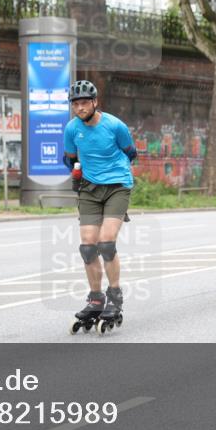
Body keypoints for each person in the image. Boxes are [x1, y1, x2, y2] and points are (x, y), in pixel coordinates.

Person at [62, 79, 138, 331]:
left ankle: (114, 296)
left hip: (117, 186)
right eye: (75, 104)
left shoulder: (115, 125)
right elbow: (70, 158)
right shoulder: (72, 129)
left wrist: (113, 169)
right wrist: (78, 172)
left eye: (84, 103)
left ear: (95, 102)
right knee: (87, 247)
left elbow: (131, 153)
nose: (80, 108)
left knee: (106, 243)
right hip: (89, 188)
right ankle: (96, 299)